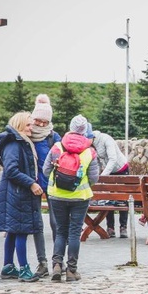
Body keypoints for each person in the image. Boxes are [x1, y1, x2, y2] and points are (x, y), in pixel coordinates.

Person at [42, 114, 99, 282]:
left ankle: (57, 265)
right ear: (85, 131)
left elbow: (45, 171)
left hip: (57, 196)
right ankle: (72, 270)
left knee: (60, 231)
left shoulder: (57, 147)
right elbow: (94, 178)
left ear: (71, 128)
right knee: (74, 232)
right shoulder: (89, 151)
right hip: (80, 197)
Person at [0, 111, 44, 283]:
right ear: (20, 125)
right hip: (17, 193)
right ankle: (24, 269)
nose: (32, 128)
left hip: (16, 193)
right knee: (21, 231)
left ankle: (8, 267)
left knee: (13, 232)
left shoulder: (20, 142)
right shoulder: (14, 144)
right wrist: (31, 183)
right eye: (28, 125)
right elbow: (11, 170)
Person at [29, 94, 61, 278]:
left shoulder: (53, 137)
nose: (40, 125)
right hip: (32, 185)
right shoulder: (27, 134)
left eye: (44, 122)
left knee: (56, 223)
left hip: (51, 184)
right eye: (38, 121)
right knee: (36, 224)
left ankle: (58, 261)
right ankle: (42, 263)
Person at [90, 126, 130, 238]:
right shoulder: (91, 145)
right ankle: (110, 227)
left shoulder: (106, 139)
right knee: (109, 198)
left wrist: (103, 176)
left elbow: (113, 159)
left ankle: (123, 227)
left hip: (121, 168)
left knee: (122, 198)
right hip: (108, 170)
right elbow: (97, 162)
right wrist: (96, 176)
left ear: (91, 137)